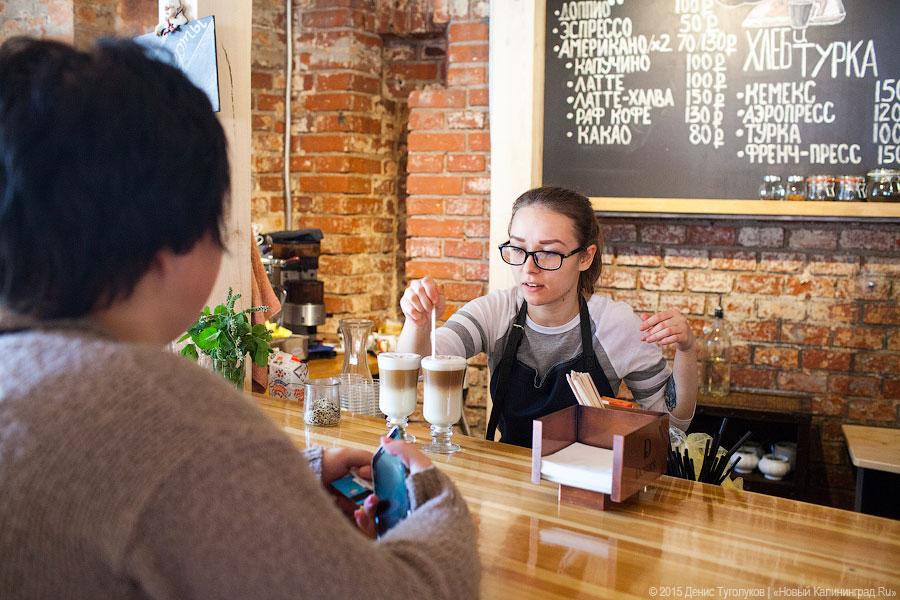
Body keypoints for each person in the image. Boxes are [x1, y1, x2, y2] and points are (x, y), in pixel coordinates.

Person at [0, 38, 479, 599]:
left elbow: (105, 498)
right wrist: (430, 492)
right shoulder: (171, 416)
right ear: (171, 233)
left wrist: (282, 478)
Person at [399, 187, 698, 447]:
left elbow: (673, 424)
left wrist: (686, 350)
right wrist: (418, 322)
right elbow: (418, 368)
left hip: (584, 487)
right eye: (518, 249)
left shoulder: (614, 325)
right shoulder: (496, 312)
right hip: (511, 481)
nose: (529, 268)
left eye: (548, 253)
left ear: (585, 257)